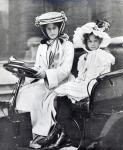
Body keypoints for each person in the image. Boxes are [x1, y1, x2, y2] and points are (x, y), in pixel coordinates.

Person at [41, 21, 115, 149]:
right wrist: (77, 82)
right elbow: (82, 76)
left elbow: (104, 76)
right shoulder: (84, 58)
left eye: (95, 41)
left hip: (97, 86)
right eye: (90, 41)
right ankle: (62, 132)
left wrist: (90, 83)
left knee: (65, 96)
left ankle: (63, 134)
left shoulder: (104, 56)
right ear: (86, 43)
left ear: (100, 42)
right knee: (61, 93)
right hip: (84, 83)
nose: (93, 44)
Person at [15, 11, 74, 148]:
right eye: (49, 29)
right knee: (24, 92)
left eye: (54, 28)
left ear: (60, 27)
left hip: (61, 81)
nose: (52, 31)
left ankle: (43, 135)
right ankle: (29, 134)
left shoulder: (67, 45)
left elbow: (65, 70)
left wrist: (46, 74)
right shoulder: (42, 46)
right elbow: (38, 66)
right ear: (44, 30)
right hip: (44, 80)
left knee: (38, 97)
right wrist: (29, 74)